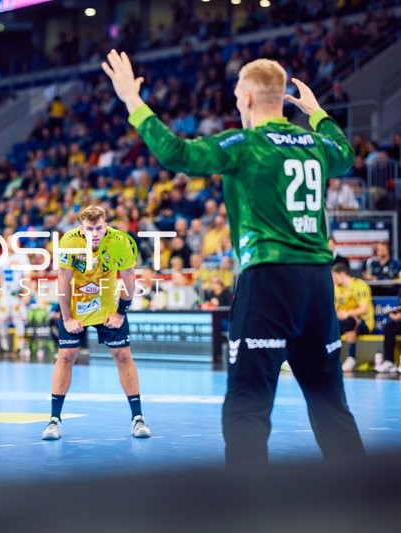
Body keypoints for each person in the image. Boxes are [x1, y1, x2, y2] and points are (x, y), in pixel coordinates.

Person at [102, 50, 364, 466]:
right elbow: (346, 154)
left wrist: (133, 101)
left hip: (269, 282)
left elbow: (177, 154)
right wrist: (317, 114)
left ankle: (247, 500)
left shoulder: (246, 144)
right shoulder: (315, 144)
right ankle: (363, 495)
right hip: (317, 284)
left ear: (246, 98)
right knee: (330, 403)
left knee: (247, 407)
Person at [41, 205, 151, 441]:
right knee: (66, 356)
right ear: (81, 228)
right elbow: (62, 280)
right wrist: (67, 318)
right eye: (90, 229)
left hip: (107, 305)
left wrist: (120, 313)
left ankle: (138, 418)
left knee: (123, 355)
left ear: (105, 225)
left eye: (99, 228)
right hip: (76, 306)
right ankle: (54, 421)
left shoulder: (120, 242)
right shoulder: (69, 241)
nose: (95, 233)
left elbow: (129, 279)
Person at [332, 262, 374, 372]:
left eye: (334, 276)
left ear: (342, 274)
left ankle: (351, 358)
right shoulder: (337, 288)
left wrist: (347, 313)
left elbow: (364, 309)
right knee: (328, 326)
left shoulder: (360, 286)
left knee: (349, 321)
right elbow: (333, 309)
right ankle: (326, 359)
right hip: (344, 321)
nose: (333, 279)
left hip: (364, 322)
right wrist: (339, 314)